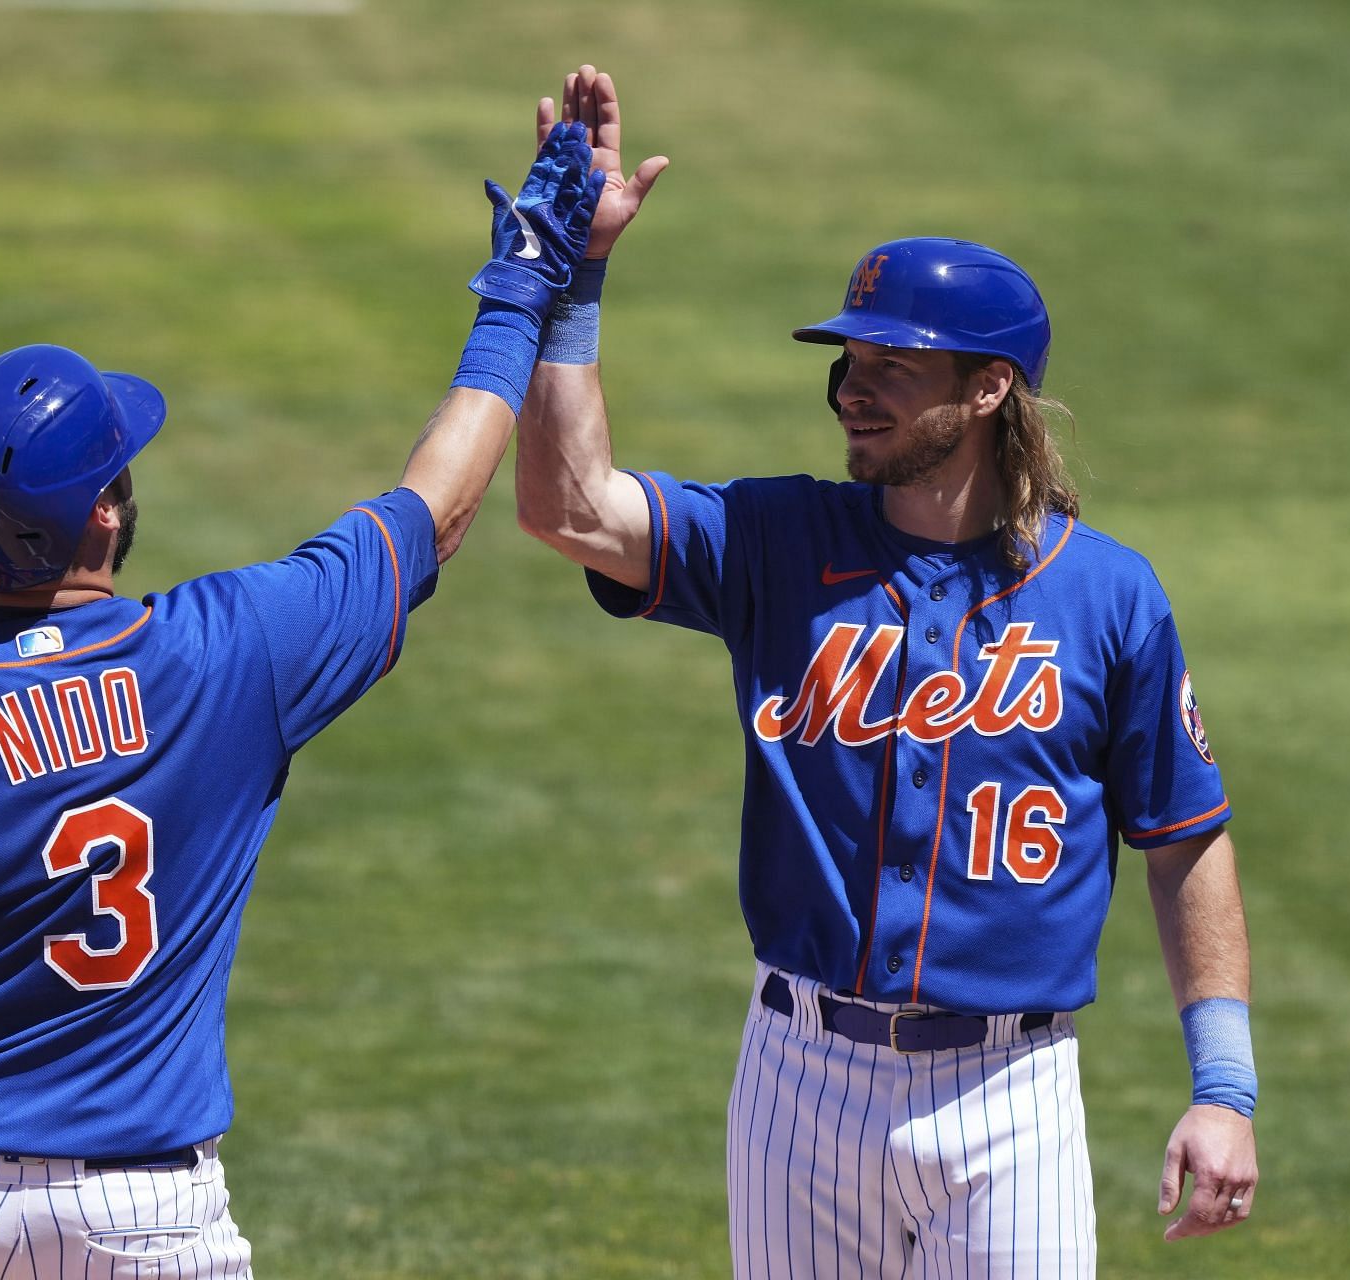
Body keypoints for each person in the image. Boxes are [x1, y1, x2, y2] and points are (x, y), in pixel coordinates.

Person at [0, 122, 604, 1277]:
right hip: (148, 1219)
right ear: (106, 513)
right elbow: (436, 503)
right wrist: (523, 284)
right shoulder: (231, 652)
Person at [514, 66, 1258, 1277]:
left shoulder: (1108, 595)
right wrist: (573, 282)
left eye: (892, 368)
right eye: (847, 362)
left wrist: (1224, 1086)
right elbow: (566, 507)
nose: (850, 390)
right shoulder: (774, 538)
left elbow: (1185, 834)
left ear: (988, 388)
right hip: (798, 1077)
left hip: (1008, 1087)